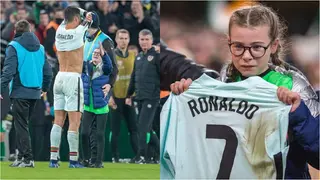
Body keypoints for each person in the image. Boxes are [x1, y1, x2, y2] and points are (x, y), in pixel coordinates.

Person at [169, 4, 319, 179]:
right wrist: (186, 98)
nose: (247, 56)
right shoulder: (223, 82)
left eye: (256, 47)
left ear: (273, 46)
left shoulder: (293, 85)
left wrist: (299, 113)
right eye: (238, 47)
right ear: (229, 43)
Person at [0, 19, 52, 167]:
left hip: (19, 90)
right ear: (30, 31)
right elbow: (48, 71)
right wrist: (45, 88)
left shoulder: (14, 47)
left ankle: (28, 159)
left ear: (15, 32)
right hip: (35, 92)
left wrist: (1, 88)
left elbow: (8, 71)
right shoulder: (40, 48)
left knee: (21, 125)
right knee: (21, 124)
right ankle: (21, 157)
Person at [49, 6, 92, 168]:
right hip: (73, 78)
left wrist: (80, 15)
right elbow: (90, 17)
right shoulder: (79, 31)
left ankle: (54, 159)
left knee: (58, 120)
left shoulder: (58, 30)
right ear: (76, 19)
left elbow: (72, 13)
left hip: (59, 76)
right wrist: (86, 14)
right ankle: (73, 160)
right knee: (75, 121)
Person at [126, 29, 160, 164]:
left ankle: (141, 155)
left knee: (142, 126)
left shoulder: (157, 56)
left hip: (152, 97)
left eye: (147, 39)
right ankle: (159, 152)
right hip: (139, 96)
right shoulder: (139, 57)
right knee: (147, 128)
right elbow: (134, 77)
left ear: (151, 41)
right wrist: (129, 95)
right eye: (142, 39)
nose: (144, 42)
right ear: (139, 41)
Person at [80, 43, 113, 168]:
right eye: (94, 53)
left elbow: (110, 66)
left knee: (99, 134)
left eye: (98, 54)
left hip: (101, 106)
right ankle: (86, 159)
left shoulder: (105, 68)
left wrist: (104, 54)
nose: (95, 55)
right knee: (84, 133)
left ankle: (98, 161)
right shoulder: (87, 66)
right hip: (88, 106)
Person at [109, 29, 139, 163]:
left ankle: (138, 156)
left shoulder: (133, 55)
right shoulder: (111, 55)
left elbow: (137, 77)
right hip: (115, 97)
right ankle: (115, 157)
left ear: (129, 39)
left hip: (129, 98)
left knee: (133, 129)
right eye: (120, 38)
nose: (123, 41)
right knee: (115, 130)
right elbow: (106, 77)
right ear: (116, 40)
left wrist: (134, 95)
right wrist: (109, 96)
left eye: (125, 38)